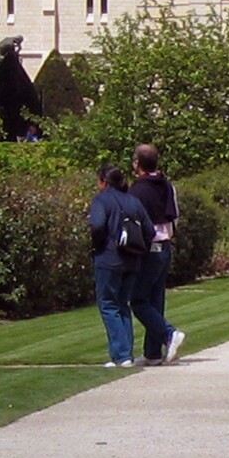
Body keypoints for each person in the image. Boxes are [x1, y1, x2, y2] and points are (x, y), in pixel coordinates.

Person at [87, 164, 156, 367]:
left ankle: (121, 355)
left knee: (108, 305)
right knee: (122, 305)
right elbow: (150, 231)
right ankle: (126, 354)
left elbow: (97, 225)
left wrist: (98, 245)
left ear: (104, 182)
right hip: (132, 259)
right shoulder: (133, 201)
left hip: (109, 258)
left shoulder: (102, 200)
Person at [128, 143, 184, 365]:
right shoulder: (167, 186)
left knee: (138, 300)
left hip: (149, 248)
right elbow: (175, 215)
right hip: (165, 245)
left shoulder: (137, 190)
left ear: (137, 164)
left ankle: (168, 334)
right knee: (155, 300)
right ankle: (152, 353)